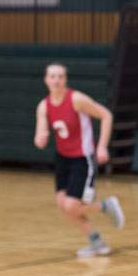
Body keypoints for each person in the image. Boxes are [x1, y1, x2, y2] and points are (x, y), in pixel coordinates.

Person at [33, 62, 124, 257]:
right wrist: (40, 139)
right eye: (52, 76)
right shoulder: (44, 106)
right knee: (63, 206)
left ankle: (106, 206)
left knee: (71, 206)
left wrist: (101, 146)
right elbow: (39, 137)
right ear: (46, 80)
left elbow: (106, 115)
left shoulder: (77, 99)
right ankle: (97, 242)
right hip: (62, 159)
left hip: (82, 159)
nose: (56, 80)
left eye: (60, 76)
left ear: (65, 80)